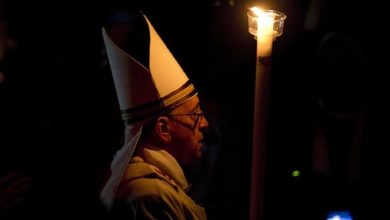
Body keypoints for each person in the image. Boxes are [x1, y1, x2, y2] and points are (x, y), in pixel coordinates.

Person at [99, 12, 209, 220]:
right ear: (163, 129)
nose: (204, 123)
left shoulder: (162, 184)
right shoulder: (148, 194)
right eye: (196, 113)